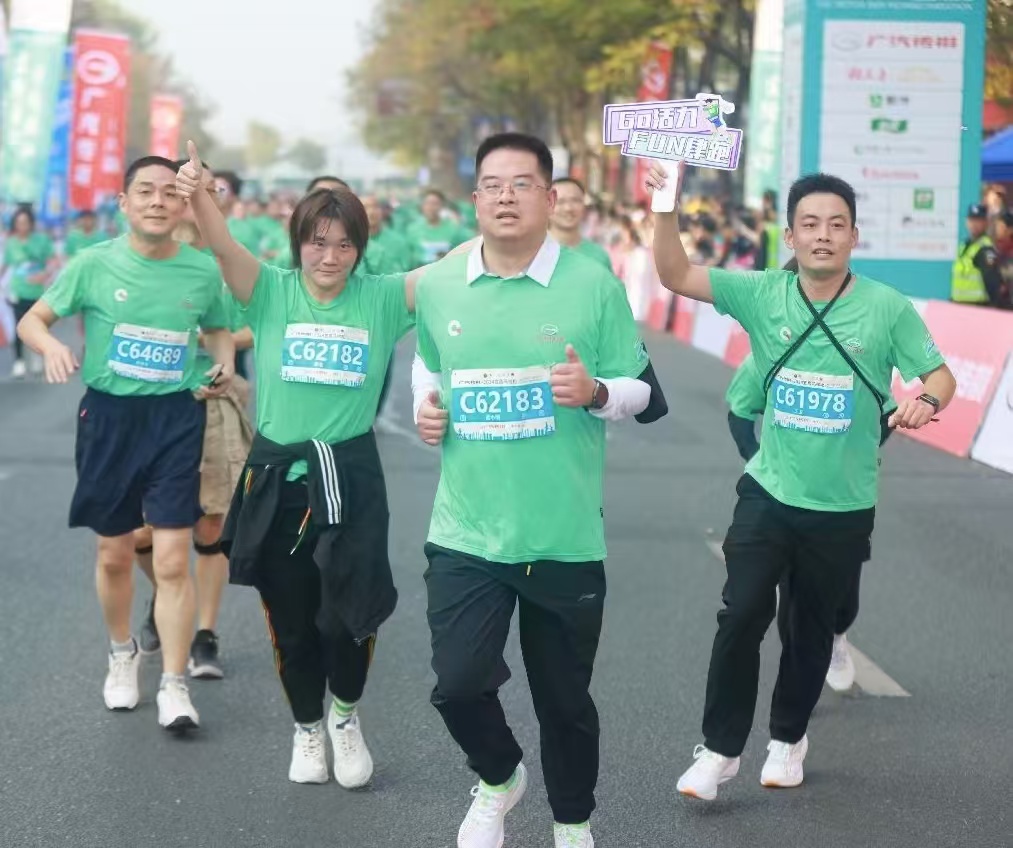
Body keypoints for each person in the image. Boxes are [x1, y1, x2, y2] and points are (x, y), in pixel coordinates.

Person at [648, 163, 956, 799]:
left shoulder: (886, 308)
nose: (823, 236)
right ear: (789, 236)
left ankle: (788, 739)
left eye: (836, 225)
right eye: (809, 225)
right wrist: (665, 205)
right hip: (769, 492)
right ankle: (719, 751)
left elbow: (941, 376)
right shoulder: (763, 293)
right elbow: (675, 274)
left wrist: (927, 399)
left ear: (854, 236)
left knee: (809, 631)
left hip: (843, 504)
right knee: (740, 614)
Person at [412, 132, 662, 848]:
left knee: (563, 702)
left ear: (550, 199)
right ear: (475, 199)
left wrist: (596, 391)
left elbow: (644, 392)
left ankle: (572, 823)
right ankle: (498, 777)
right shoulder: (440, 284)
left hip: (562, 535)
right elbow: (429, 365)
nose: (505, 197)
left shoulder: (593, 285)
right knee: (458, 684)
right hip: (465, 530)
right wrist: (425, 407)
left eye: (522, 184)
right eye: (492, 185)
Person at [177, 141, 426, 786]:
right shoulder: (270, 291)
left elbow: (455, 272)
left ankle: (344, 715)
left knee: (348, 616)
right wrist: (199, 192)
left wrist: (512, 206)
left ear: (361, 248)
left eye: (344, 245)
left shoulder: (382, 297)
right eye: (318, 243)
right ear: (298, 243)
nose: (330, 257)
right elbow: (222, 246)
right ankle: (307, 727)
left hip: (350, 480)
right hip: (279, 482)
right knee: (292, 622)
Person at [17, 155, 236, 732]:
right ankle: (122, 652)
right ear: (124, 202)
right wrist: (52, 347)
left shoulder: (201, 270)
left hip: (175, 418)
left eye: (169, 192)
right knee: (114, 554)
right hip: (109, 418)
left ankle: (173, 684)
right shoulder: (93, 263)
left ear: (183, 204)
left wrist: (224, 365)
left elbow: (218, 329)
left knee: (172, 558)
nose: (158, 201)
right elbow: (32, 320)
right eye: (145, 191)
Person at [134, 158, 256, 677]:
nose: (198, 196)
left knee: (210, 524)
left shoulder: (231, 261)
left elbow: (255, 324)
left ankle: (204, 633)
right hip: (149, 407)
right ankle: (167, 595)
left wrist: (217, 342)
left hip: (213, 401)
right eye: (189, 188)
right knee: (139, 532)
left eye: (210, 189)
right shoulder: (143, 255)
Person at [725, 341, 897, 693]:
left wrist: (850, 452)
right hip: (782, 498)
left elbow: (886, 415)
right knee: (793, 596)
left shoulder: (856, 352)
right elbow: (740, 413)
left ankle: (837, 635)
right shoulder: (768, 349)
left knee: (844, 601)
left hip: (842, 498)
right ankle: (795, 693)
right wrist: (762, 463)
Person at [3, 207, 58, 377]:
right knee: (18, 325)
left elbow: (54, 260)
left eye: (25, 222)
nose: (22, 226)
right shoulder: (11, 243)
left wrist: (45, 274)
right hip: (17, 291)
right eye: (19, 223)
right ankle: (19, 361)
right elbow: (6, 265)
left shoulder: (41, 240)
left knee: (38, 325)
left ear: (31, 223)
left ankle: (36, 355)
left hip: (38, 292)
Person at [548, 178, 612, 271]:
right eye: (560, 202)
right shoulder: (533, 253)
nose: (568, 208)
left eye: (575, 201)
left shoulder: (599, 256)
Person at [951, 204, 1005, 308]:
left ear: (986, 223)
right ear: (966, 221)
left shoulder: (985, 249)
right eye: (971, 220)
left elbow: (992, 282)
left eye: (978, 220)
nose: (974, 224)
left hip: (978, 307)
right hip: (960, 306)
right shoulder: (964, 246)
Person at [408, 188, 470, 264]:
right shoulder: (413, 230)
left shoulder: (453, 229)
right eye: (427, 203)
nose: (430, 207)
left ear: (442, 206)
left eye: (435, 204)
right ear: (422, 206)